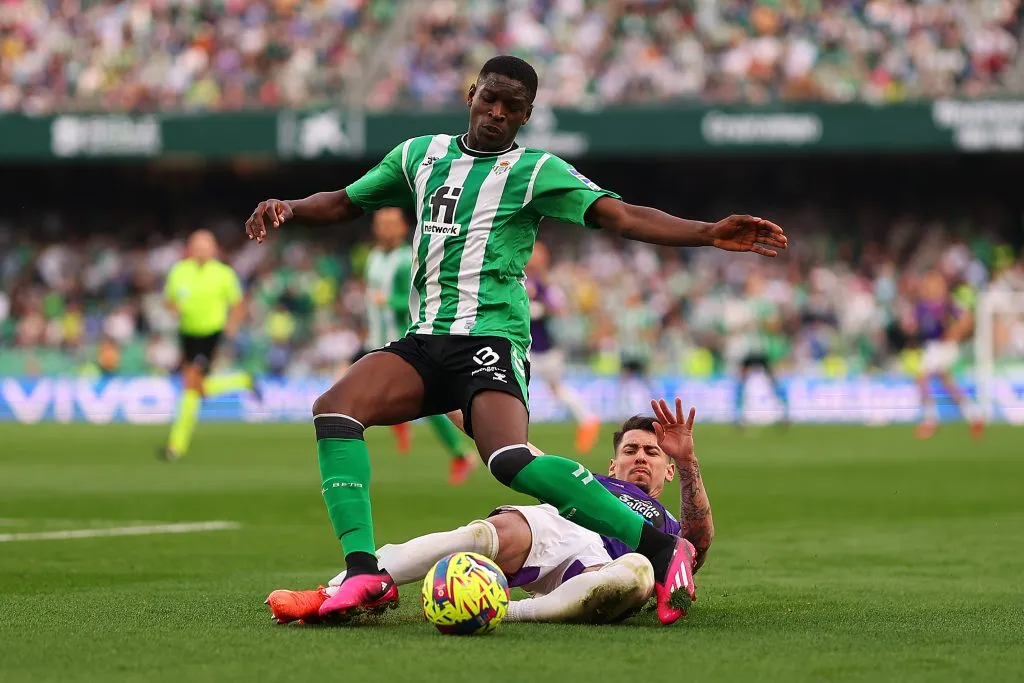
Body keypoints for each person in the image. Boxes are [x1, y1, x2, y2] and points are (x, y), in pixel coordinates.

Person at [244, 55, 786, 626]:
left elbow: (620, 217)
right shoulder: (417, 155)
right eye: (490, 100)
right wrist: (290, 208)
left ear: (527, 115)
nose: (497, 113)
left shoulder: (535, 171)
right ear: (471, 93)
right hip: (424, 341)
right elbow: (347, 201)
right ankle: (362, 574)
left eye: (513, 108)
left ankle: (659, 546)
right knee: (334, 411)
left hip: (489, 342)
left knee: (507, 459)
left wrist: (705, 232)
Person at [266, 398, 714, 626]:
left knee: (635, 571)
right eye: (630, 450)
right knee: (489, 532)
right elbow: (509, 445)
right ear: (611, 463)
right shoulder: (584, 484)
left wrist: (691, 462)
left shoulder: (669, 527)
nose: (640, 457)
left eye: (653, 453)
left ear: (668, 470)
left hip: (605, 564)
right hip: (561, 527)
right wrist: (444, 392)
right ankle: (334, 593)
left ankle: (508, 610)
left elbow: (698, 542)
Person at [361, 208, 478, 485]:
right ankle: (402, 423)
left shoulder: (406, 260)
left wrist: (388, 302)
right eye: (380, 224)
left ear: (403, 228)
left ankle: (467, 449)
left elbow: (417, 299)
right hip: (378, 338)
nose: (384, 229)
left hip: (406, 339)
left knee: (434, 404)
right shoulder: (374, 257)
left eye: (391, 224)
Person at [161, 230, 258, 461]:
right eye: (197, 246)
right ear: (190, 249)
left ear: (214, 249)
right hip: (187, 334)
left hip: (210, 335)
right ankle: (242, 381)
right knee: (199, 389)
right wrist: (175, 309)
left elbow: (238, 303)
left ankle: (176, 446)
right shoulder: (179, 271)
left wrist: (232, 324)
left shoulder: (223, 274)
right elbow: (170, 300)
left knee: (190, 385)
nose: (201, 250)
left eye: (205, 246)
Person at [525, 241, 601, 453]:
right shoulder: (537, 282)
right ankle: (587, 419)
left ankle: (587, 419)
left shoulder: (542, 284)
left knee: (550, 389)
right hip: (536, 348)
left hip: (542, 350)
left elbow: (558, 309)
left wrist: (540, 309)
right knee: (552, 389)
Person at [914, 271, 983, 439]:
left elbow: (967, 319)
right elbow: (920, 328)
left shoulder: (946, 304)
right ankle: (974, 415)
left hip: (942, 346)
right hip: (931, 347)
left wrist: (955, 333)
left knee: (922, 378)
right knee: (948, 384)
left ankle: (931, 420)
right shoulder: (922, 306)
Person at [728, 272, 788, 426]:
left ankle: (784, 412)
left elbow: (774, 326)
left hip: (763, 348)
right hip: (747, 348)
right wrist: (745, 325)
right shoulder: (742, 303)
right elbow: (733, 327)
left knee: (773, 380)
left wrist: (763, 323)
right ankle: (739, 415)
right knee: (742, 380)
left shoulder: (765, 305)